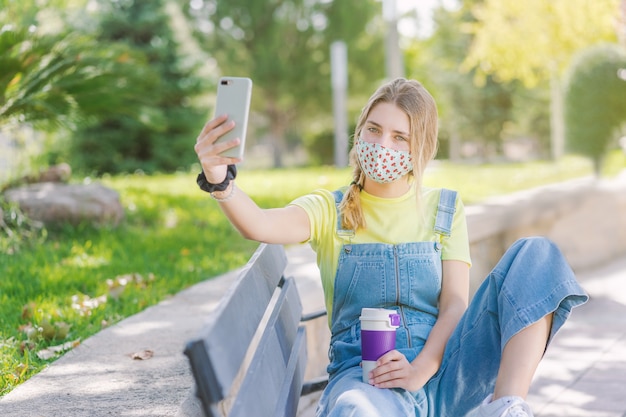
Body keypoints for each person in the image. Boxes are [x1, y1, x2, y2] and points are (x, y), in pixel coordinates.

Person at [194, 78, 588, 417]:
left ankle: (506, 405)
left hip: (447, 369)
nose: (383, 144)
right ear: (359, 132)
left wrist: (421, 368)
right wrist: (219, 180)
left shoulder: (444, 209)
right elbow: (259, 224)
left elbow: (454, 304)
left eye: (400, 137)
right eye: (374, 130)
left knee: (537, 255)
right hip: (371, 378)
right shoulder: (330, 211)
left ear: (421, 149)